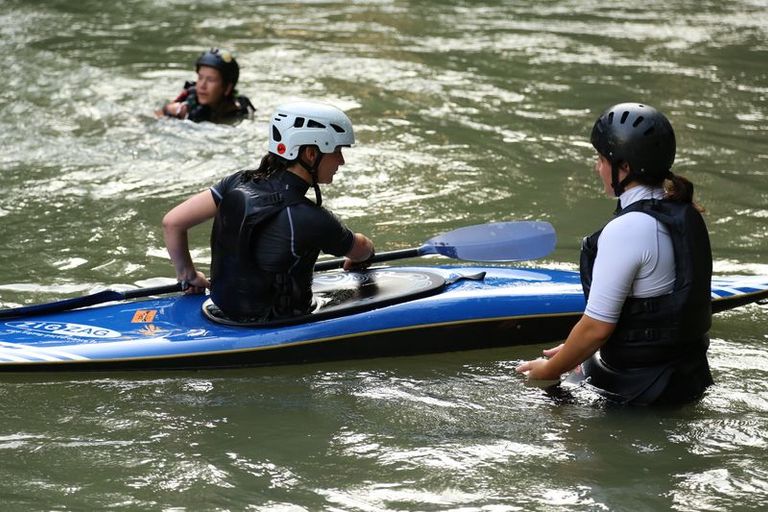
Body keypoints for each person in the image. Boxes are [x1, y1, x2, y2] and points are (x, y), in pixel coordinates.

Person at [516, 102, 714, 406]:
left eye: (601, 158)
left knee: (531, 400)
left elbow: (596, 329)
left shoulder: (628, 229)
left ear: (625, 168)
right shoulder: (683, 212)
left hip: (638, 391)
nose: (597, 167)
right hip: (688, 377)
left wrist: (549, 369)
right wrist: (573, 349)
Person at [162, 101, 375, 321]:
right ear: (311, 153)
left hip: (221, 308)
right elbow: (360, 250)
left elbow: (173, 222)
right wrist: (367, 251)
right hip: (275, 322)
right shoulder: (310, 217)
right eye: (337, 150)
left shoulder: (237, 181)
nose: (341, 160)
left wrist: (188, 275)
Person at [157, 48, 255, 124]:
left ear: (227, 88)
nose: (202, 86)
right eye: (200, 78)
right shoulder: (180, 111)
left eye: (210, 80)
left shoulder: (240, 110)